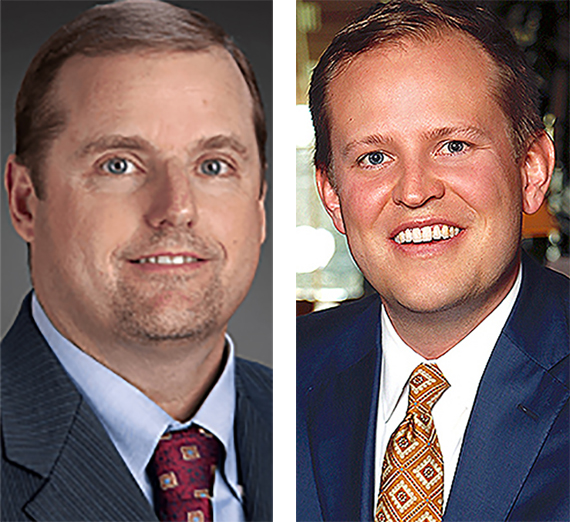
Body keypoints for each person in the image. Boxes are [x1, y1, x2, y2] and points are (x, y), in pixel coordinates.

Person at [297, 1, 568, 521]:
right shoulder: (268, 383)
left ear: (532, 169)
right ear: (332, 195)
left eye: (454, 145)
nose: (415, 191)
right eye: (374, 157)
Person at [1, 1, 272, 521]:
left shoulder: (305, 413)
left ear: (259, 207)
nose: (176, 208)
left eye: (213, 165)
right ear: (24, 200)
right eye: (119, 164)